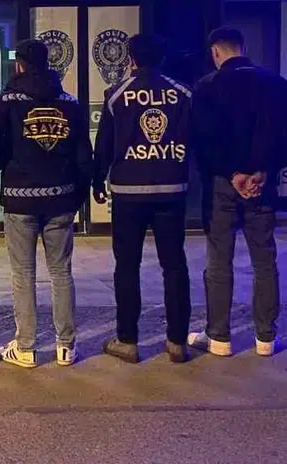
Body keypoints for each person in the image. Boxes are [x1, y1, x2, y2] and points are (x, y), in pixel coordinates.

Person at [0, 39, 91, 368]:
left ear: (20, 65)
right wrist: (78, 194)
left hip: (20, 198)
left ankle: (25, 347)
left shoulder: (9, 100)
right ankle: (66, 346)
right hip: (61, 198)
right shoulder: (69, 102)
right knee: (61, 272)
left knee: (23, 274)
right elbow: (84, 154)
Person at [190, 27, 287, 357]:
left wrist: (233, 173)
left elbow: (200, 140)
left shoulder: (207, 87)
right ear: (243, 47)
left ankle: (219, 337)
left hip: (222, 185)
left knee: (219, 258)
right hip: (262, 185)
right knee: (264, 259)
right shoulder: (277, 85)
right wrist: (263, 170)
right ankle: (265, 337)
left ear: (215, 52)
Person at [92, 34, 194, 364]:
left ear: (131, 59)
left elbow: (104, 144)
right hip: (171, 188)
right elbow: (196, 138)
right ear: (162, 58)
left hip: (128, 192)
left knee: (127, 266)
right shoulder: (183, 93)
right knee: (174, 265)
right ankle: (177, 341)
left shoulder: (116, 94)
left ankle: (128, 340)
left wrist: (97, 179)